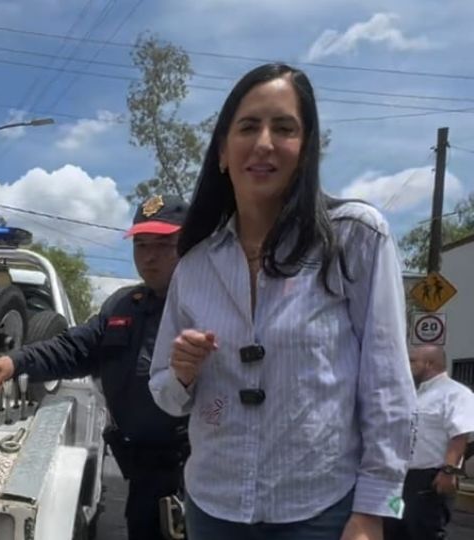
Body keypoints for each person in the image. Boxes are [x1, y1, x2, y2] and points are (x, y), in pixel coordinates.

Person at [147, 63, 417, 540]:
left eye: (284, 128)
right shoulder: (194, 267)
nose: (265, 142)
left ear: (306, 148)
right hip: (214, 508)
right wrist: (184, 371)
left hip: (322, 511)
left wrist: (377, 508)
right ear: (223, 153)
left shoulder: (354, 236)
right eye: (249, 126)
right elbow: (167, 398)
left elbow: (389, 384)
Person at [0, 194, 190, 540]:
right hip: (143, 475)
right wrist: (15, 361)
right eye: (141, 244)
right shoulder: (124, 306)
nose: (150, 257)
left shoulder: (208, 305)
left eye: (164, 245)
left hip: (193, 474)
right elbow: (73, 348)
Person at [384, 344, 474, 540]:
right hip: (401, 479)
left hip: (429, 479)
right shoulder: (416, 395)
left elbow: (460, 435)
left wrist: (448, 471)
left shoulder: (456, 394)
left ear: (429, 363)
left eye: (412, 361)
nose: (407, 365)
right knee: (394, 532)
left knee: (424, 532)